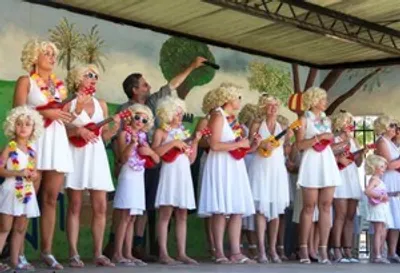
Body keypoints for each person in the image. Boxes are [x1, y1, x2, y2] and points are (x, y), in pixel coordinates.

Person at [104, 56, 207, 260]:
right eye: (144, 84)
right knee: (125, 205)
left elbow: (172, 85)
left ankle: (137, 246)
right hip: (131, 161)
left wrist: (192, 66)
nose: (149, 86)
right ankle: (115, 246)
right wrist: (118, 161)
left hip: (151, 160)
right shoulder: (125, 110)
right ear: (135, 89)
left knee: (144, 203)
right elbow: (118, 139)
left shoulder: (152, 102)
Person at [13, 39, 74, 269]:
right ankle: (18, 253)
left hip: (57, 142)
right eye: (46, 53)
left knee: (51, 199)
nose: (52, 56)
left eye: (53, 53)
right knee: (27, 196)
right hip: (35, 143)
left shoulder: (59, 86)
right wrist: (45, 112)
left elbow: (63, 117)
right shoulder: (26, 81)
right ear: (34, 57)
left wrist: (72, 118)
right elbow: (18, 114)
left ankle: (47, 252)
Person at [64, 65, 119, 267]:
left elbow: (102, 137)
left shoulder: (101, 104)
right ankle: (73, 253)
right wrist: (78, 130)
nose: (93, 79)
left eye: (96, 76)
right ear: (78, 78)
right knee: (75, 205)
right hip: (76, 155)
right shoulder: (69, 103)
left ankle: (98, 253)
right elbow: (62, 131)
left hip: (96, 156)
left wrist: (115, 127)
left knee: (101, 206)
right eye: (89, 75)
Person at [198, 83, 255, 264]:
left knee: (236, 208)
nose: (240, 101)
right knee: (220, 209)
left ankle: (236, 252)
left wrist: (250, 144)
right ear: (228, 98)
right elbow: (214, 144)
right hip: (221, 164)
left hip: (234, 165)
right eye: (238, 97)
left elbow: (236, 145)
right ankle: (220, 252)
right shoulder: (217, 115)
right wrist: (239, 144)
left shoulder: (232, 119)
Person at [295, 87, 345, 264]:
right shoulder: (303, 119)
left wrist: (338, 146)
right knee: (309, 207)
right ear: (314, 100)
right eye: (322, 99)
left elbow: (327, 145)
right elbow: (299, 146)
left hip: (327, 162)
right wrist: (319, 137)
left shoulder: (327, 120)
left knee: (326, 206)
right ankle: (303, 249)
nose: (325, 102)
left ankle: (323, 249)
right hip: (311, 163)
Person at [152, 96, 201, 264]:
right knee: (165, 213)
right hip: (169, 173)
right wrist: (173, 143)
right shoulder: (161, 132)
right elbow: (155, 153)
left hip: (183, 174)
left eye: (181, 112)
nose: (180, 115)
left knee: (182, 214)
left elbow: (191, 159)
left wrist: (194, 143)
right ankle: (163, 252)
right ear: (168, 113)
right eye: (176, 112)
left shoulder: (184, 133)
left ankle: (182, 252)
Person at [112, 104, 159, 266]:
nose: (140, 121)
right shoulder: (124, 134)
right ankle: (117, 253)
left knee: (132, 217)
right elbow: (123, 158)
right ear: (131, 116)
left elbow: (154, 159)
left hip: (139, 175)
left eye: (144, 119)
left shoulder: (144, 136)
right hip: (128, 176)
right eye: (137, 117)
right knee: (124, 216)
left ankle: (128, 253)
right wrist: (132, 144)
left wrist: (149, 151)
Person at [0, 106, 43, 271]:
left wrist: (35, 176)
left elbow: (35, 172)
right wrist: (17, 172)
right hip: (11, 190)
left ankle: (15, 260)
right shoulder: (10, 147)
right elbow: (1, 169)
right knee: (4, 227)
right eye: (19, 124)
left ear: (33, 128)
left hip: (26, 191)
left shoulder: (32, 151)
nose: (23, 127)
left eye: (27, 124)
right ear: (13, 126)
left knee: (20, 227)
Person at [248, 95, 290, 263]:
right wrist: (260, 144)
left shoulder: (284, 127)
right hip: (260, 169)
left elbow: (287, 151)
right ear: (263, 107)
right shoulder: (257, 124)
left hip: (277, 170)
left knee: (276, 210)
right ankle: (261, 249)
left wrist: (288, 144)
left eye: (275, 105)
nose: (273, 108)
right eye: (269, 105)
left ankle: (273, 249)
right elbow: (250, 145)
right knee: (261, 209)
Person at [330, 110, 364, 263]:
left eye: (351, 122)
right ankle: (336, 249)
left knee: (350, 216)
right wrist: (346, 142)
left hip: (352, 177)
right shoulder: (334, 138)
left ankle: (348, 250)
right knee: (340, 215)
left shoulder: (355, 141)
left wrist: (361, 152)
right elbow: (330, 156)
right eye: (347, 121)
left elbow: (358, 163)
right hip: (340, 178)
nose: (350, 124)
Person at [195, 89, 220, 260]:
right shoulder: (205, 120)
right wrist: (212, 139)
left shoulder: (227, 120)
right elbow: (199, 141)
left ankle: (217, 244)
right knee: (209, 200)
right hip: (208, 158)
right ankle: (211, 244)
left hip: (223, 161)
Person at [374, 115, 400, 262]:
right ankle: (380, 252)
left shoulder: (392, 143)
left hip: (396, 180)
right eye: (391, 125)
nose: (394, 128)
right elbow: (389, 165)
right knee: (386, 219)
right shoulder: (382, 142)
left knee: (396, 219)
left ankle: (392, 251)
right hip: (387, 181)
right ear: (384, 128)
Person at [238, 103, 259, 259]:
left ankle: (252, 244)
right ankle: (239, 245)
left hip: (253, 163)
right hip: (245, 162)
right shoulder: (241, 129)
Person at [365, 154, 391, 264]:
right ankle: (377, 255)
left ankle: (380, 251)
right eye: (381, 167)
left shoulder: (379, 180)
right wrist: (380, 196)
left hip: (383, 208)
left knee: (383, 230)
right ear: (374, 167)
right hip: (378, 208)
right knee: (378, 231)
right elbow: (367, 191)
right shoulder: (374, 179)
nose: (383, 169)